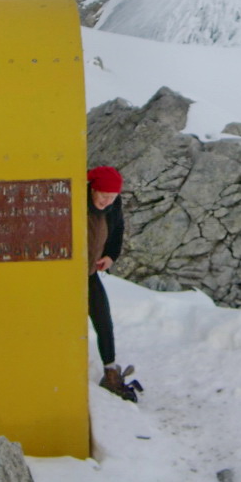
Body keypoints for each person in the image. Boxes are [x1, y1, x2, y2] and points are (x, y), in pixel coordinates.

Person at [86, 165, 141, 402]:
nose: (107, 201)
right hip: (64, 276)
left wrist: (110, 255)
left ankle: (110, 372)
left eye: (112, 196)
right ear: (92, 189)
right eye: (103, 195)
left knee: (103, 320)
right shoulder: (73, 202)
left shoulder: (113, 205)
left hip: (88, 273)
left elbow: (117, 229)